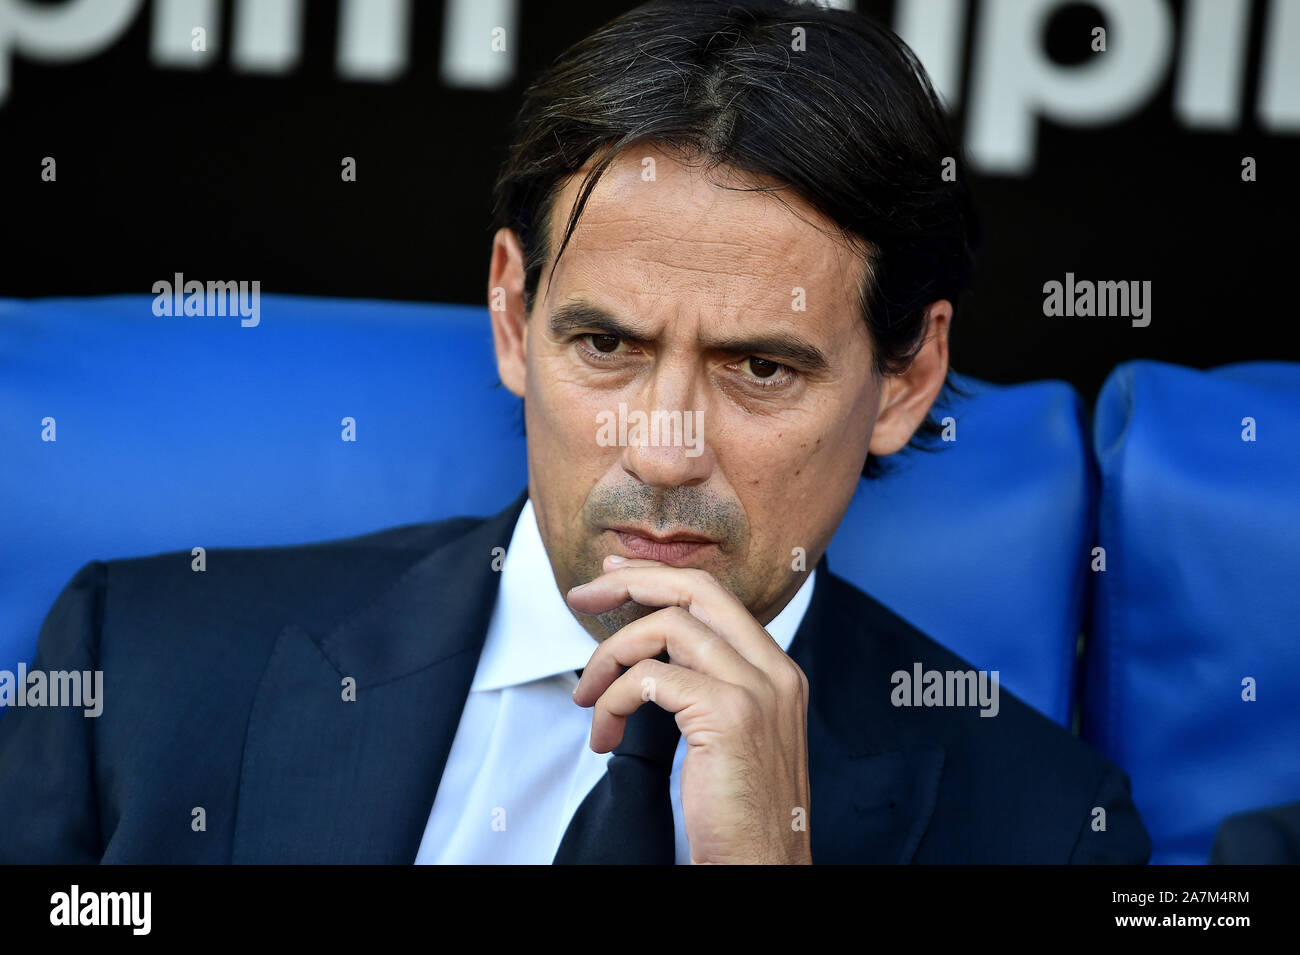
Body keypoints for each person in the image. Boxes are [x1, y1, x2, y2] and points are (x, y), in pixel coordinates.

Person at [0, 0, 1149, 864]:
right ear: (511, 313)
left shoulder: (1051, 832)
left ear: (907, 377)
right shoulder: (139, 667)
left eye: (759, 367)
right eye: (607, 347)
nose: (661, 450)